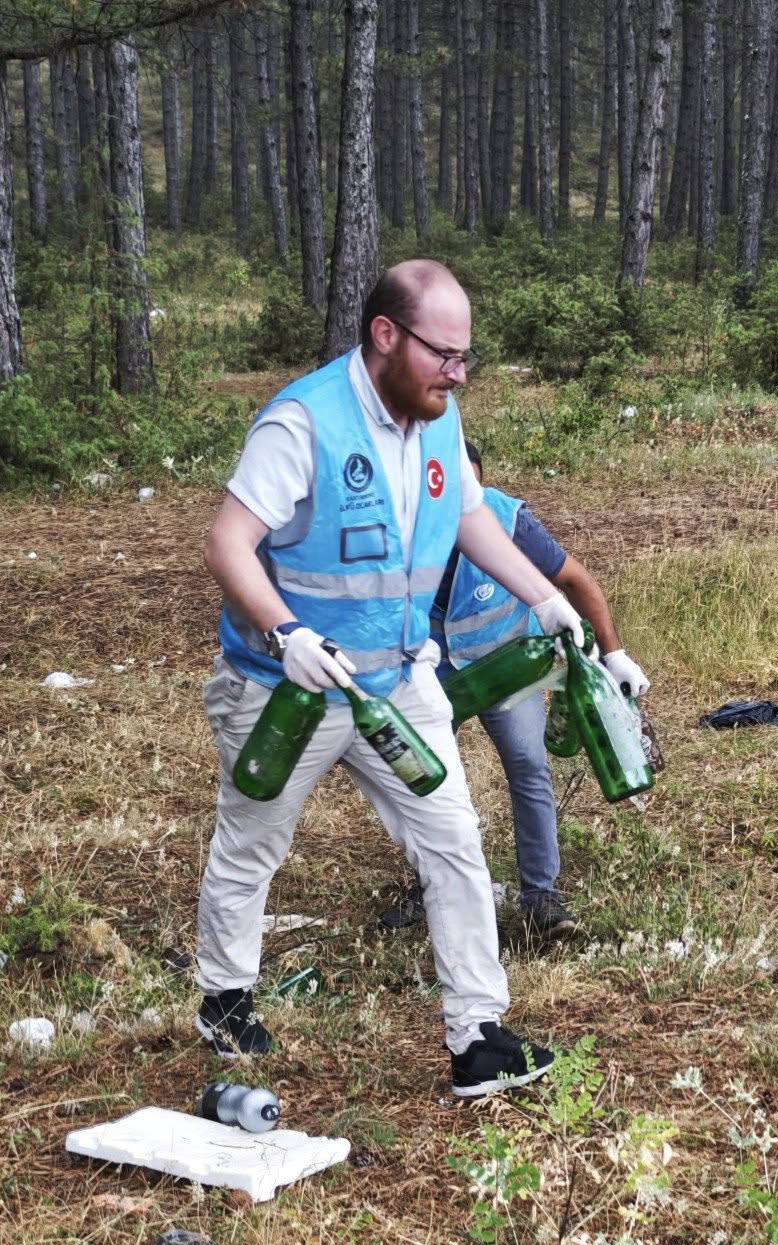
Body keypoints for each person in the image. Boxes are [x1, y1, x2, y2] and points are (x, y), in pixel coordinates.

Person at [194, 259, 586, 1099]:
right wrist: (286, 631)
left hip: (397, 684)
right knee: (253, 843)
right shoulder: (302, 424)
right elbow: (227, 543)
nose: (459, 373)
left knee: (453, 843)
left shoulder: (439, 418)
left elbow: (470, 516)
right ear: (385, 336)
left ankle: (477, 1036)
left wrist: (545, 598)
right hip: (285, 688)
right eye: (445, 354)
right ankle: (225, 1001)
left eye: (466, 357)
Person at [383, 443, 648, 941]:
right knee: (424, 776)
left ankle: (541, 895)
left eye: (468, 493)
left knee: (529, 764)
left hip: (509, 666)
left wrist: (613, 655)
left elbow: (577, 580)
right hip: (433, 670)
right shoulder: (398, 528)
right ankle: (432, 884)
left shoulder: (507, 521)